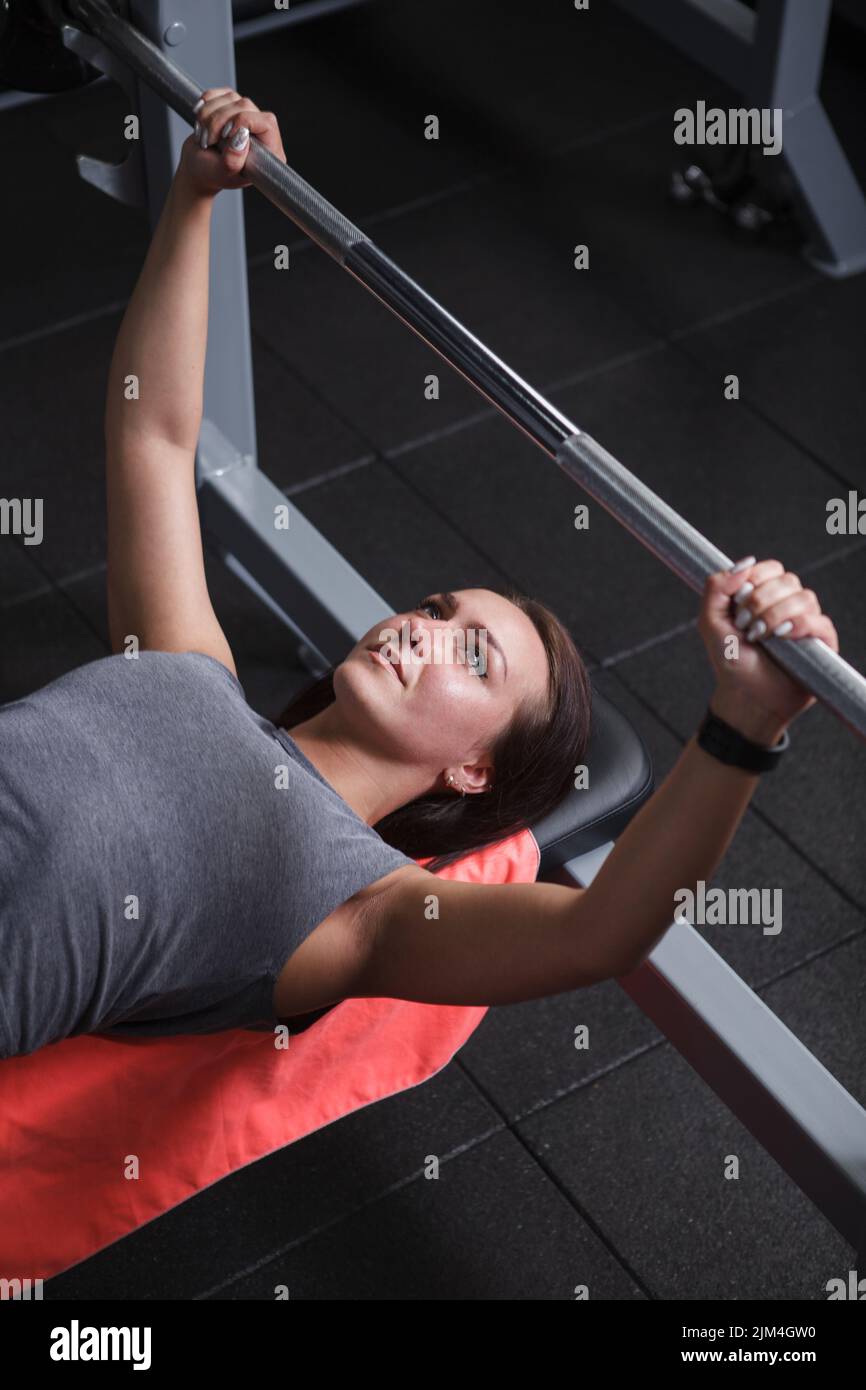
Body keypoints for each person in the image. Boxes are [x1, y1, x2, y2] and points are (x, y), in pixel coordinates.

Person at [0, 92, 839, 1061]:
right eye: (437, 609)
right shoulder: (187, 663)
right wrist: (197, 200)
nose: (417, 626)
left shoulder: (355, 911)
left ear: (471, 768)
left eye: (468, 654)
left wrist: (744, 724)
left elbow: (593, 934)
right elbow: (151, 437)